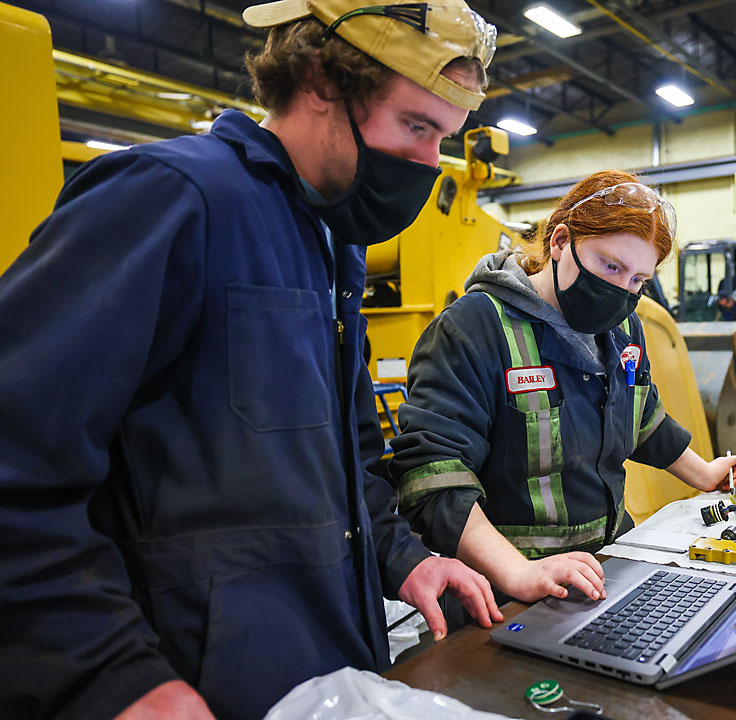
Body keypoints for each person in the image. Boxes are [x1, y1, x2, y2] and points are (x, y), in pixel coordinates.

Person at [0, 2, 503, 719]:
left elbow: (348, 459)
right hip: (194, 689)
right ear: (319, 78)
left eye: (443, 137)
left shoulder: (335, 244)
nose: (429, 164)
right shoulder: (172, 198)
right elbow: (14, 460)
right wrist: (110, 675)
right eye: (416, 127)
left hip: (327, 680)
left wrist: (405, 558)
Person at [387, 170, 736, 611]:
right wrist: (520, 572)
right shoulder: (473, 329)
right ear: (559, 242)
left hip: (609, 567)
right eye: (610, 266)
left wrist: (705, 474)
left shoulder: (624, 328)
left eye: (637, 280)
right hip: (507, 593)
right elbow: (434, 477)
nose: (620, 291)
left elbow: (641, 416)